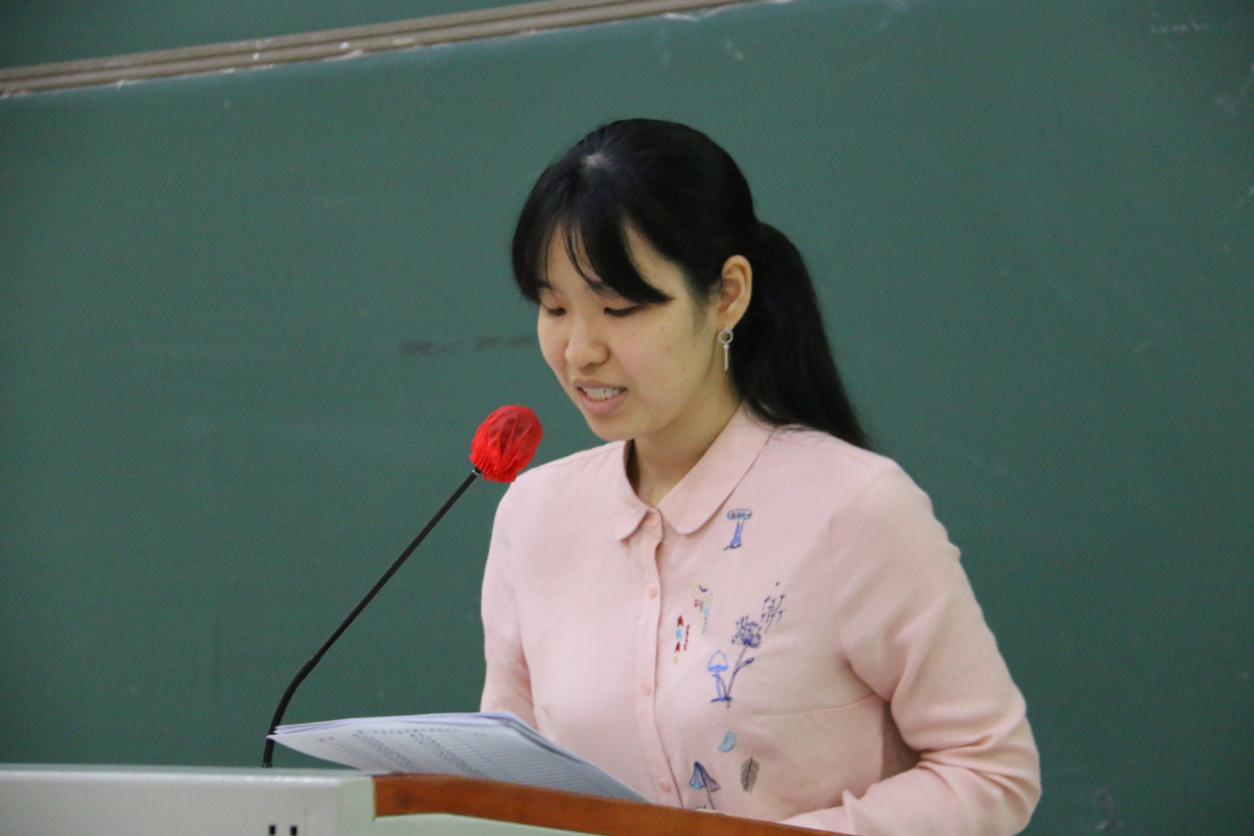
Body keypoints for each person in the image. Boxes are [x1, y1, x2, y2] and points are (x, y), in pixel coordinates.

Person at [479, 118, 1040, 835]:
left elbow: (991, 771)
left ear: (727, 294)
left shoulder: (852, 507)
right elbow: (506, 790)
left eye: (619, 308)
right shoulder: (535, 514)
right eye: (554, 308)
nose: (579, 350)